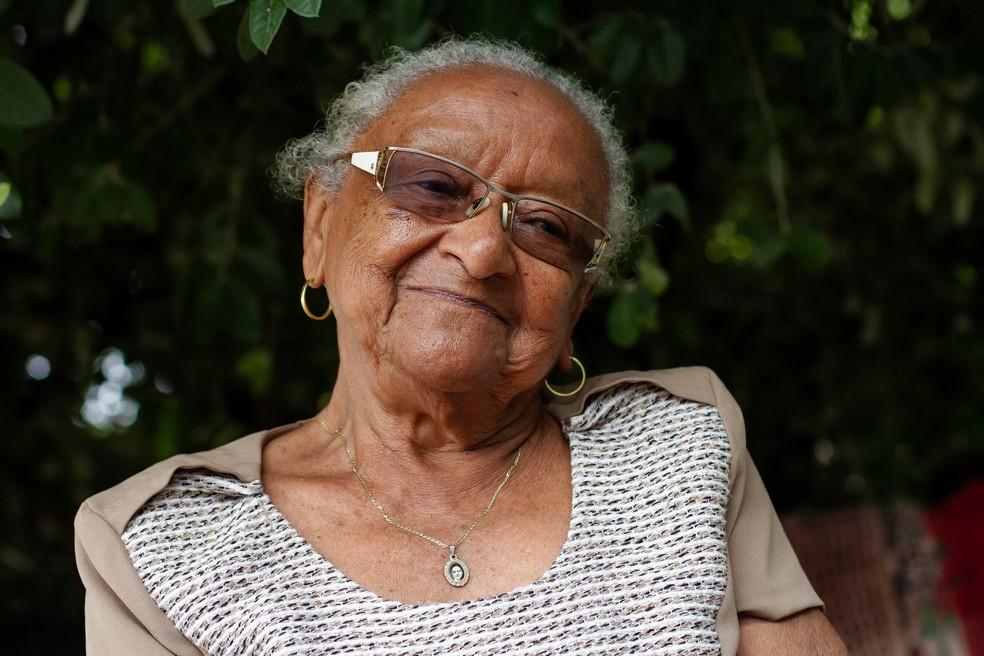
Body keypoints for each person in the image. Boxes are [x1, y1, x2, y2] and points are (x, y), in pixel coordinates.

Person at [74, 37, 846, 655]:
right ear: (320, 227)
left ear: (577, 305)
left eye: (546, 228)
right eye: (432, 186)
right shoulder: (164, 544)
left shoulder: (680, 442)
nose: (482, 252)